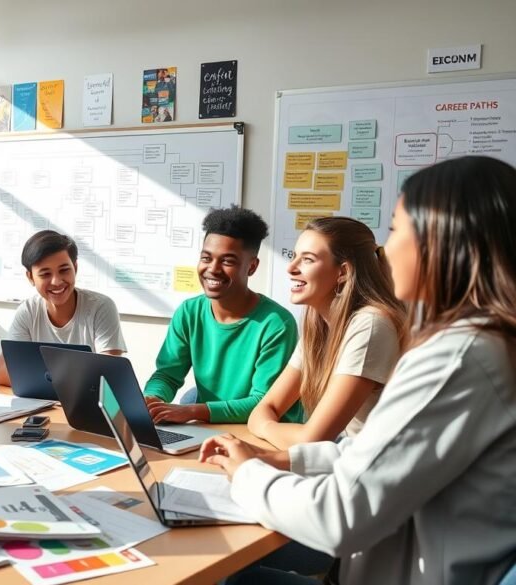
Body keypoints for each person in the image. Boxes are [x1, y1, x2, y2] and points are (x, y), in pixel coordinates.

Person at [203, 156, 516, 585]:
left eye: (395, 228)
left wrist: (246, 475)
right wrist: (276, 458)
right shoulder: (485, 344)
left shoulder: (457, 356)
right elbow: (371, 449)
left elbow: (340, 516)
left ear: (441, 241)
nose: (385, 251)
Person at [247, 217, 405, 449]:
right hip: (349, 455)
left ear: (343, 272)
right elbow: (265, 408)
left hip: (379, 466)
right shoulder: (318, 325)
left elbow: (312, 439)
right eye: (294, 256)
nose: (291, 268)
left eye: (308, 259)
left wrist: (265, 427)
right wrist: (271, 425)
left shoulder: (371, 325)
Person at [144, 206, 302, 424]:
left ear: (252, 267)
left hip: (264, 433)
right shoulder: (189, 312)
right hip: (211, 428)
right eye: (206, 258)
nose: (213, 269)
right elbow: (167, 375)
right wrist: (153, 399)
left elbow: (263, 402)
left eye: (227, 261)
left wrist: (191, 411)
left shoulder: (276, 323)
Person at [0, 229, 126, 386]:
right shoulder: (27, 311)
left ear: (75, 268)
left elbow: (108, 375)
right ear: (30, 277)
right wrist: (74, 376)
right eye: (45, 274)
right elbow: (2, 372)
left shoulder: (101, 307)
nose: (56, 282)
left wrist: (42, 375)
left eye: (64, 270)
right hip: (42, 405)